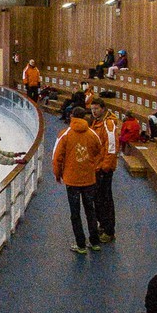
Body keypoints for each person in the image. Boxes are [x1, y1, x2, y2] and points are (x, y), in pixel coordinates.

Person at [53, 108, 105, 253]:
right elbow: (98, 151)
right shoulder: (92, 133)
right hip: (89, 179)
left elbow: (57, 157)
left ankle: (81, 245)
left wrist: (58, 175)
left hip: (72, 180)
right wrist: (91, 166)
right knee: (91, 210)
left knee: (75, 213)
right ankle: (94, 242)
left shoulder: (65, 134)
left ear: (71, 116)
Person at [92, 104, 120, 243]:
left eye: (96, 109)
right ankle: (102, 225)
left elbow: (112, 146)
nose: (94, 111)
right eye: (92, 109)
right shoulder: (96, 123)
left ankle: (109, 231)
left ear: (103, 108)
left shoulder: (108, 125)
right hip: (97, 168)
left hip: (104, 169)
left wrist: (106, 167)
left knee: (105, 199)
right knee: (98, 199)